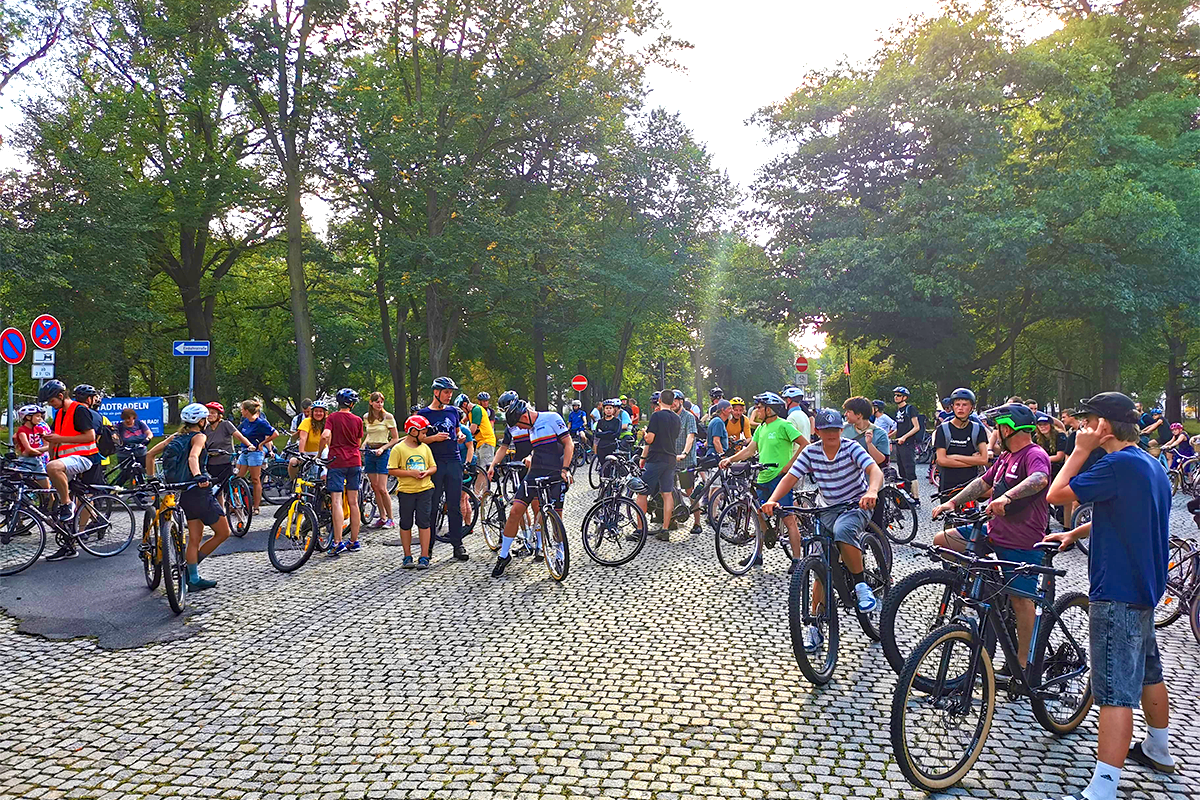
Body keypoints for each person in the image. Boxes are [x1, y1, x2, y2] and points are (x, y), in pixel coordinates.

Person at [1045, 392, 1174, 800]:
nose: (1082, 426)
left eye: (1089, 420)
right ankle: (1158, 748)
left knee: (1114, 691)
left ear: (1106, 426)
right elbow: (1127, 512)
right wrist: (1076, 533)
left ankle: (1102, 789)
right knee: (1149, 671)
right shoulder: (1152, 466)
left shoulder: (1116, 463)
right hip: (1144, 587)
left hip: (1116, 589)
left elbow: (1056, 494)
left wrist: (1079, 452)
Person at [928, 403, 1050, 674]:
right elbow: (983, 482)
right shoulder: (1006, 457)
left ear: (1009, 428)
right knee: (942, 541)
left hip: (1022, 541)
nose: (996, 432)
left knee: (1021, 600)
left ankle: (1022, 664)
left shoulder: (1034, 453)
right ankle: (988, 589)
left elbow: (1040, 479)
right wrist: (952, 502)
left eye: (999, 427)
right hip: (993, 531)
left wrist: (1007, 496)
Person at [763, 408, 883, 651]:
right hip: (825, 509)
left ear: (841, 430)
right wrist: (773, 499)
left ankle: (860, 584)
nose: (831, 434)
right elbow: (790, 478)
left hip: (855, 505)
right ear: (817, 431)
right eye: (825, 430)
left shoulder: (851, 448)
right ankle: (815, 628)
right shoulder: (811, 452)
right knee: (819, 565)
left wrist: (871, 491)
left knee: (842, 530)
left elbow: (874, 470)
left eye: (835, 429)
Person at [146, 403, 232, 590]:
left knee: (195, 538)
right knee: (224, 532)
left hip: (183, 494)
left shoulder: (176, 436)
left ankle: (192, 578)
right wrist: (198, 476)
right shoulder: (199, 436)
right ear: (201, 421)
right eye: (205, 419)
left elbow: (150, 454)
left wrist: (151, 478)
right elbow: (194, 457)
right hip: (199, 492)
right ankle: (187, 569)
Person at [720, 392, 805, 569]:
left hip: (780, 479)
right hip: (763, 476)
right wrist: (730, 459)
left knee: (788, 518)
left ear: (770, 409)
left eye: (759, 407)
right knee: (759, 516)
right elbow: (749, 451)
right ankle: (758, 555)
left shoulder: (784, 425)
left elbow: (805, 444)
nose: (756, 410)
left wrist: (790, 465)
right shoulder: (761, 428)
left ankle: (797, 559)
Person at [491, 398, 572, 577]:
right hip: (535, 472)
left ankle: (559, 554)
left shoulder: (551, 418)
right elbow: (537, 450)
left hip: (555, 472)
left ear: (525, 414)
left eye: (521, 423)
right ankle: (504, 555)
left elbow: (568, 444)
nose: (521, 428)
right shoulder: (529, 427)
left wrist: (566, 470)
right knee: (515, 511)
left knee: (555, 516)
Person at [39, 379, 101, 557]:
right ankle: (69, 545)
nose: (51, 406)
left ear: (60, 396)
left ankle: (68, 505)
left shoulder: (79, 410)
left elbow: (90, 437)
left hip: (84, 458)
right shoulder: (59, 414)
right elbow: (54, 438)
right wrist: (51, 450)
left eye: (52, 401)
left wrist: (58, 441)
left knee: (67, 501)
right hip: (67, 460)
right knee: (60, 508)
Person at [419, 377, 468, 562]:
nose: (449, 396)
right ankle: (428, 547)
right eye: (446, 392)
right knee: (432, 506)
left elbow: (458, 431)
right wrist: (434, 439)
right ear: (436, 393)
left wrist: (461, 436)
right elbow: (419, 439)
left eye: (451, 392)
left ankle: (458, 544)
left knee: (454, 505)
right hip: (434, 462)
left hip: (454, 461)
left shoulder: (453, 411)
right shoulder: (424, 414)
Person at [388, 415, 437, 569]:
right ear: (413, 431)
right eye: (423, 433)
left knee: (424, 523)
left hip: (425, 490)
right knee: (406, 523)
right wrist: (410, 474)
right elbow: (392, 470)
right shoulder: (399, 449)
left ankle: (424, 555)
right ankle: (407, 555)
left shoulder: (425, 448)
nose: (425, 436)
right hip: (406, 491)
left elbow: (433, 466)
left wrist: (427, 472)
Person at [635, 392, 680, 541]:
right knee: (667, 494)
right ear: (673, 402)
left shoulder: (657, 416)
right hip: (671, 458)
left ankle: (640, 529)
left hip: (656, 459)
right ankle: (665, 529)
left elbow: (650, 439)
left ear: (659, 400)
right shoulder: (676, 418)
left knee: (642, 493)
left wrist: (645, 433)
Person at [325, 388, 364, 556]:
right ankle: (354, 541)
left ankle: (337, 542)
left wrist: (321, 453)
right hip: (354, 461)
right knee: (354, 502)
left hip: (337, 461)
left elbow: (325, 435)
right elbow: (358, 441)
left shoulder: (332, 418)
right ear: (352, 404)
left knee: (337, 502)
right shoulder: (358, 420)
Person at [932, 387, 989, 498]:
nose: (960, 408)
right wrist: (973, 461)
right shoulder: (943, 429)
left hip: (970, 484)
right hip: (948, 485)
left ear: (971, 407)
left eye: (965, 405)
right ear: (952, 407)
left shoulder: (978, 429)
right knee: (947, 514)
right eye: (957, 405)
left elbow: (984, 459)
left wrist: (954, 457)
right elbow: (942, 460)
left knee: (971, 513)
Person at [362, 392, 400, 530]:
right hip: (370, 452)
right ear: (371, 403)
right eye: (377, 402)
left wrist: (383, 448)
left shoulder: (388, 417)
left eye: (381, 402)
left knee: (383, 488)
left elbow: (395, 438)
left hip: (382, 452)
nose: (380, 404)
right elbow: (369, 434)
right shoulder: (367, 417)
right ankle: (382, 517)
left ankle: (391, 518)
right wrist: (364, 443)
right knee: (375, 487)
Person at [671, 390, 703, 536]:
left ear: (681, 402)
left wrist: (684, 453)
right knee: (670, 491)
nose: (672, 403)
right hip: (671, 460)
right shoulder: (669, 417)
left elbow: (691, 436)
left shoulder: (688, 417)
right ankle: (672, 520)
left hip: (686, 460)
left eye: (675, 401)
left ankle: (697, 522)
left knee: (690, 491)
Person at [236, 399, 276, 513]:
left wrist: (262, 444)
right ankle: (238, 503)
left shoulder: (260, 422)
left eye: (242, 409)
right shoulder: (245, 422)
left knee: (255, 479)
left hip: (255, 454)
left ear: (247, 411)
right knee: (238, 477)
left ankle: (256, 506)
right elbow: (237, 432)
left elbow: (274, 434)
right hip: (244, 452)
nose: (241, 411)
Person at [203, 402, 253, 489]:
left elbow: (239, 436)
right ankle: (221, 503)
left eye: (213, 413)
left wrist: (249, 445)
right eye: (208, 412)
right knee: (217, 490)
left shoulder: (225, 424)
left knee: (230, 487)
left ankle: (237, 501)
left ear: (219, 415)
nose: (210, 415)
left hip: (226, 461)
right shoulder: (205, 428)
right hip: (211, 462)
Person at [890, 386, 921, 499]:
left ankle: (916, 497)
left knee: (910, 471)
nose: (896, 397)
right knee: (902, 470)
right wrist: (889, 435)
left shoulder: (910, 409)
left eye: (898, 395)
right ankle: (906, 495)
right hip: (899, 444)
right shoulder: (898, 411)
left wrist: (904, 437)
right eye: (895, 395)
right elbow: (900, 427)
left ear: (905, 397)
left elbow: (916, 427)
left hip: (908, 444)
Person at [289, 399, 330, 479]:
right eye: (316, 411)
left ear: (325, 413)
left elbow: (329, 439)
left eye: (321, 411)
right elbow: (303, 438)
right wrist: (302, 454)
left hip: (322, 452)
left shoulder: (327, 422)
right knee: (293, 462)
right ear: (312, 412)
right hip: (306, 451)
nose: (318, 413)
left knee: (324, 475)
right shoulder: (307, 421)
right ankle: (292, 482)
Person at [14, 404, 51, 489]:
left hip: (37, 461)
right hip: (25, 462)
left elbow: (48, 445)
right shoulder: (22, 430)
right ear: (28, 417)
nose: (40, 419)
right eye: (37, 416)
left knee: (46, 489)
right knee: (21, 488)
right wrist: (41, 451)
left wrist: (35, 451)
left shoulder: (40, 429)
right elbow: (28, 449)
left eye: (40, 416)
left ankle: (48, 502)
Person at [467, 392, 497, 466]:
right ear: (479, 401)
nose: (486, 403)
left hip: (487, 438)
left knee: (485, 465)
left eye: (487, 401)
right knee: (479, 465)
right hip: (479, 439)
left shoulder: (490, 411)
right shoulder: (475, 410)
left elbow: (491, 425)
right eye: (484, 401)